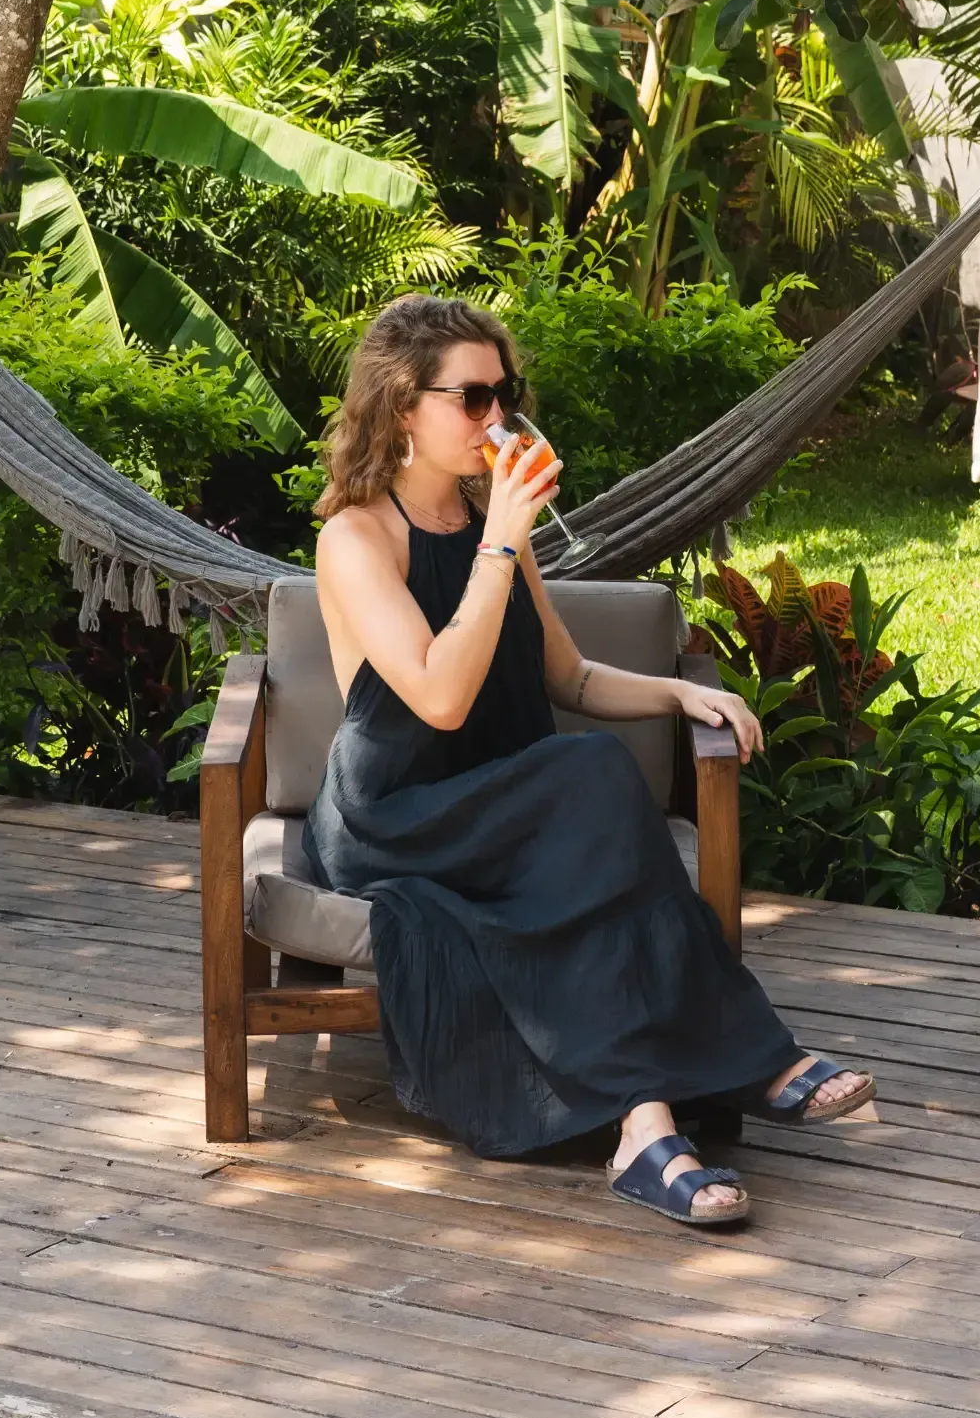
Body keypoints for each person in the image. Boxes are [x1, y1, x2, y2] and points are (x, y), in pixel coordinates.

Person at [303, 293, 875, 1232]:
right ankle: (755, 1060)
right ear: (404, 406)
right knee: (594, 777)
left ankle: (644, 1130)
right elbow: (440, 696)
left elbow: (564, 674)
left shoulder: (498, 527)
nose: (499, 418)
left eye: (507, 393)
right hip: (397, 817)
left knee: (590, 812)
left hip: (505, 809)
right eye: (475, 397)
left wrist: (678, 692)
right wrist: (498, 541)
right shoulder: (357, 539)